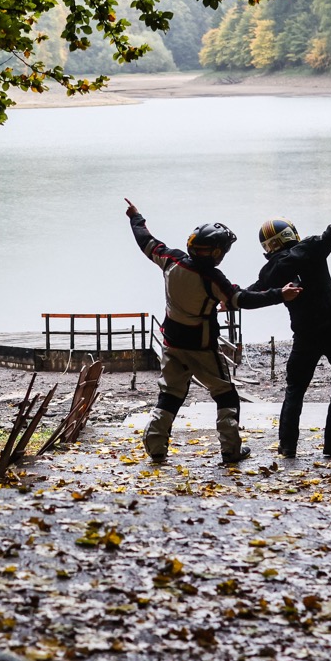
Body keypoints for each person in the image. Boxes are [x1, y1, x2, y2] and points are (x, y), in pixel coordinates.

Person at [125, 198, 300, 465]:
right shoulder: (214, 279)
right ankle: (230, 450)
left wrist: (135, 217)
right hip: (202, 347)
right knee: (226, 395)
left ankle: (155, 447)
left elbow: (145, 241)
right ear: (216, 253)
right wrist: (281, 295)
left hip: (171, 342)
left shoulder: (171, 260)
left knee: (170, 395)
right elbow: (243, 300)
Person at [249, 174, 331, 458]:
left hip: (304, 334)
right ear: (291, 233)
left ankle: (287, 447)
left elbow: (253, 295)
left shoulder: (271, 271)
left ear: (268, 246)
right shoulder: (312, 248)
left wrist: (226, 300)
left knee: (295, 389)